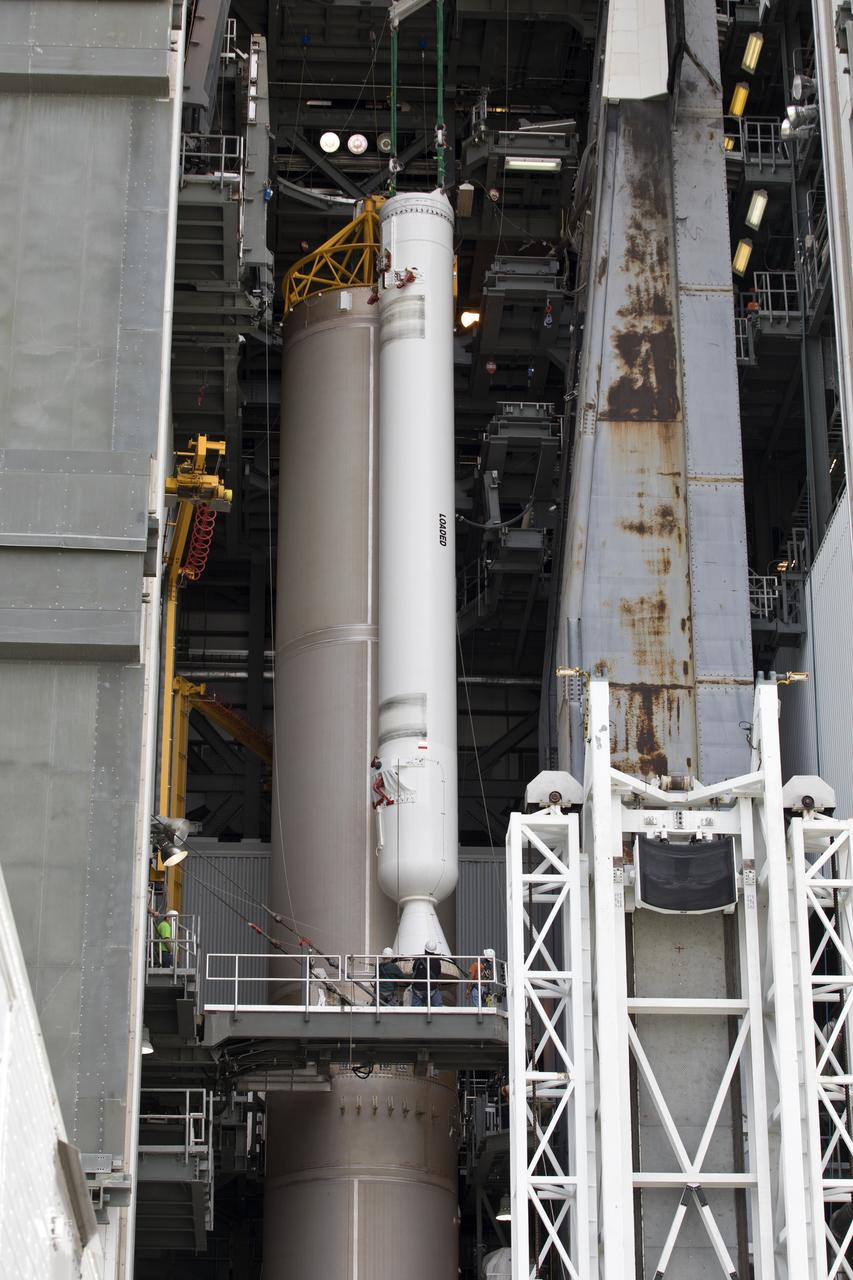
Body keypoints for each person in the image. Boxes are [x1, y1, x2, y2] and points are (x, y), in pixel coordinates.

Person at [411, 939, 443, 1007]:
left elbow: (414, 971)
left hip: (418, 989)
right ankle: (438, 1011)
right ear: (434, 951)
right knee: (438, 1005)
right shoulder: (437, 961)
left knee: (415, 1008)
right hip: (432, 988)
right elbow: (438, 973)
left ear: (425, 949)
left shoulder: (418, 960)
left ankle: (415, 1012)